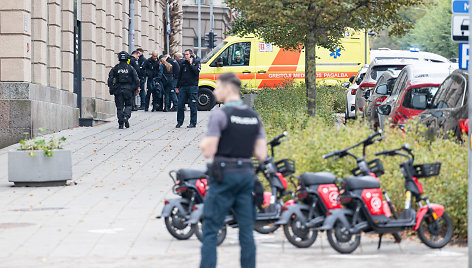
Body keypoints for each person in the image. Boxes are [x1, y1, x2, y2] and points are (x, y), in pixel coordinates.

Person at [199, 72, 267, 268]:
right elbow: (261, 153)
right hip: (246, 175)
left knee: (211, 229)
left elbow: (209, 150)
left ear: (228, 89)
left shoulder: (220, 114)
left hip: (223, 175)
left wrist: (204, 144)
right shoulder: (253, 117)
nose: (215, 92)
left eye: (218, 88)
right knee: (246, 231)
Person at [107, 51, 139, 129]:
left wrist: (111, 87)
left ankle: (120, 123)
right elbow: (136, 79)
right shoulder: (130, 68)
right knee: (128, 105)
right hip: (128, 89)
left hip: (118, 90)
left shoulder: (115, 68)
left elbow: (110, 79)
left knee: (119, 107)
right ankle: (126, 117)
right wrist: (136, 88)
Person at [176, 49, 201, 128]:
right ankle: (179, 122)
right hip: (183, 86)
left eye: (187, 54)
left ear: (191, 55)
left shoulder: (196, 62)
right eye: (184, 54)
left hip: (192, 86)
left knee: (193, 105)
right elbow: (179, 75)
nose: (185, 56)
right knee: (180, 105)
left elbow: (196, 72)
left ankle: (193, 123)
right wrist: (177, 86)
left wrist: (191, 64)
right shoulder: (183, 63)